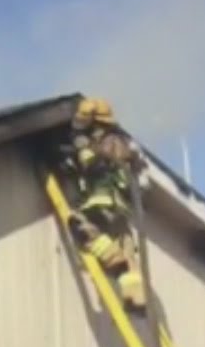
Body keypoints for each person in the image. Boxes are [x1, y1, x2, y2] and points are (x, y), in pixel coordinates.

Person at [62, 97, 148, 312]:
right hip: (120, 208)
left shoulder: (109, 141)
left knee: (77, 223)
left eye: (85, 125)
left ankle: (110, 257)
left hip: (103, 199)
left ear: (96, 122)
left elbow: (93, 163)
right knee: (128, 255)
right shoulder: (123, 143)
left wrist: (79, 150)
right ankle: (135, 300)